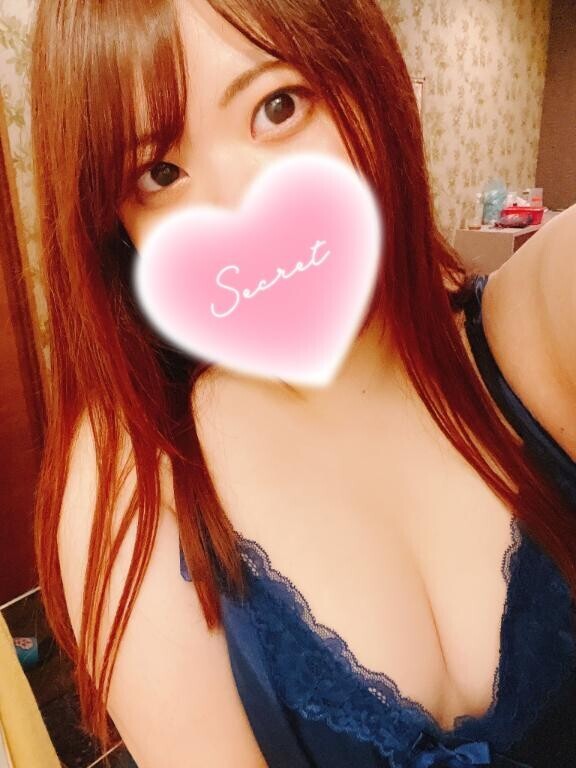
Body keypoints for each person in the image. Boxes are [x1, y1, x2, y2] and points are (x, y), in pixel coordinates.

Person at [29, 0, 576, 766]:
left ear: (368, 79)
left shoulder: (534, 325)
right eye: (160, 174)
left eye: (278, 107)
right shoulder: (136, 481)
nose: (241, 216)